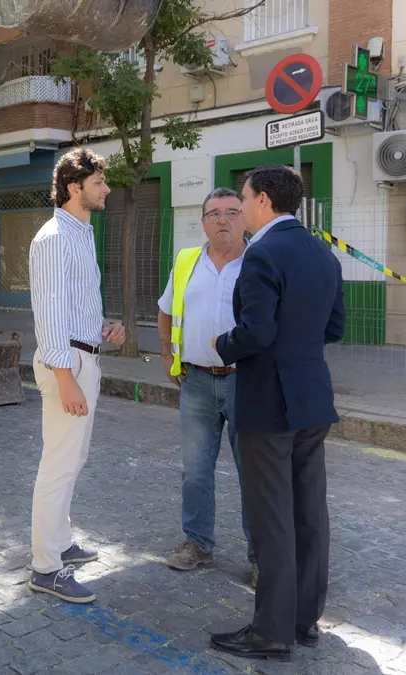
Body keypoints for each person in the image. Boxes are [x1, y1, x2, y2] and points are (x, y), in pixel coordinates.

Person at [208, 165, 345, 661]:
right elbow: (334, 327)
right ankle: (304, 621)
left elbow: (256, 333)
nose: (239, 209)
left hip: (269, 403)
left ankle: (270, 632)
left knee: (271, 522)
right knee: (309, 515)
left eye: (242, 199)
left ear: (263, 200)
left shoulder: (262, 252)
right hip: (313, 399)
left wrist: (222, 344)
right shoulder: (321, 253)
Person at [27, 148, 126, 604]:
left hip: (84, 357)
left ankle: (62, 541)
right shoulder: (53, 238)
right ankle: (46, 567)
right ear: (74, 188)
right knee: (58, 466)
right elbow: (48, 315)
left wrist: (102, 330)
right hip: (66, 363)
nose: (106, 189)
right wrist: (65, 377)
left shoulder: (81, 233)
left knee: (72, 460)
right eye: (99, 182)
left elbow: (72, 304)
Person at [156, 188, 256, 582]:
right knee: (195, 471)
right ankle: (197, 543)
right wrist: (166, 355)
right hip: (196, 381)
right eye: (213, 214)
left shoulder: (257, 262)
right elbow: (165, 309)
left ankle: (261, 555)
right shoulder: (187, 262)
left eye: (232, 212)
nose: (223, 220)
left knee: (254, 473)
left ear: (245, 219)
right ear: (203, 222)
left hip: (245, 382)